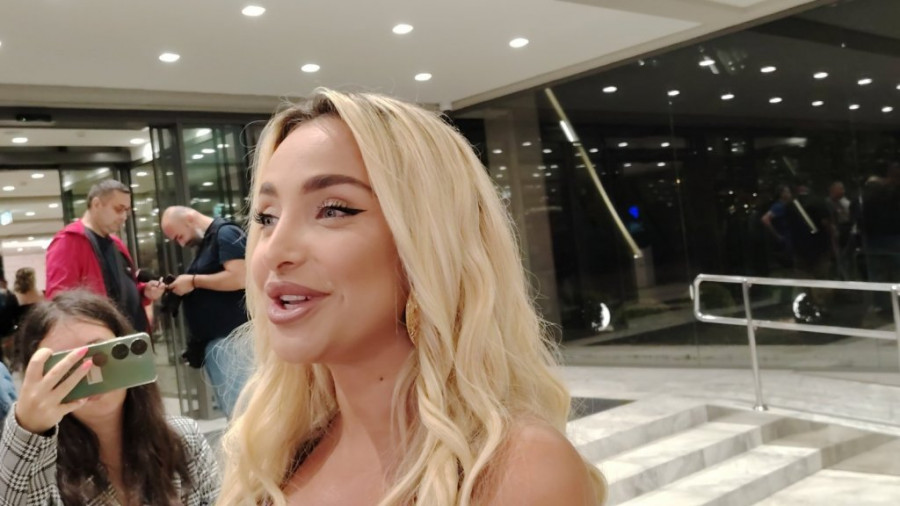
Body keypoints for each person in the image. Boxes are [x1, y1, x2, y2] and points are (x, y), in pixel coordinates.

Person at [218, 89, 606, 505]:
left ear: (428, 244)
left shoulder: (517, 470)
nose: (274, 250)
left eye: (333, 210)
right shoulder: (273, 453)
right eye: (267, 217)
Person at [0, 289, 220, 505]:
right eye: (66, 365)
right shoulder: (37, 466)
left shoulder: (184, 439)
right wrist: (27, 428)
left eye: (99, 354)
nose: (89, 373)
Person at [161, 205, 250, 419]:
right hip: (221, 343)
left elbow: (240, 277)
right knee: (235, 412)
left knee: (242, 411)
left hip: (233, 340)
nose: (181, 243)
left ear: (190, 219)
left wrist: (193, 281)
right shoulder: (208, 243)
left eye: (179, 236)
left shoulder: (225, 234)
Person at [45, 179, 165, 333]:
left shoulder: (116, 243)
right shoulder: (69, 241)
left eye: (126, 210)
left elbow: (120, 288)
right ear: (96, 204)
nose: (124, 216)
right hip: (101, 337)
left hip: (131, 335)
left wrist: (144, 291)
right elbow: (60, 301)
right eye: (118, 209)